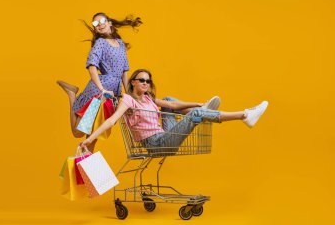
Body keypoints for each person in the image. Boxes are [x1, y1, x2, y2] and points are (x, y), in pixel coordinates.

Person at [79, 69, 268, 150]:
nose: (146, 83)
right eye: (142, 80)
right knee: (194, 115)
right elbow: (111, 120)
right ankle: (244, 115)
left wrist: (197, 103)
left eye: (148, 81)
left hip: (164, 137)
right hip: (154, 143)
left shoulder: (148, 98)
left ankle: (203, 109)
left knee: (169, 101)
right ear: (133, 82)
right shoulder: (128, 99)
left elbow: (172, 106)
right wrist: (90, 139)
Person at [57, 12, 142, 150]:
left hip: (113, 94)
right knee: (79, 132)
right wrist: (102, 90)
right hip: (98, 94)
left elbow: (124, 74)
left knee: (94, 133)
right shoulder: (100, 43)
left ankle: (86, 162)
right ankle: (72, 95)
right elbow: (92, 68)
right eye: (95, 24)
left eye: (102, 21)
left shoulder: (120, 44)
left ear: (109, 23)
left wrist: (130, 97)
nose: (99, 24)